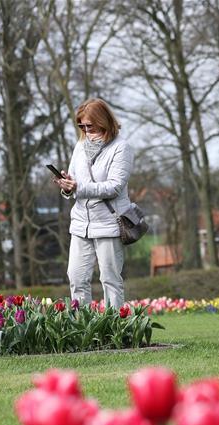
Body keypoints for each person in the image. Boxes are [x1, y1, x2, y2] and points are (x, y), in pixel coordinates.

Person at [53, 98, 134, 310]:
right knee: (77, 279)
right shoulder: (80, 147)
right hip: (81, 224)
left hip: (108, 224)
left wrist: (78, 187)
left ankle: (115, 327)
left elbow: (114, 186)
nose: (86, 129)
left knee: (110, 280)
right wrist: (67, 186)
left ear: (103, 122)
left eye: (90, 125)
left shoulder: (121, 148)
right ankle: (83, 329)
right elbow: (74, 181)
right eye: (82, 125)